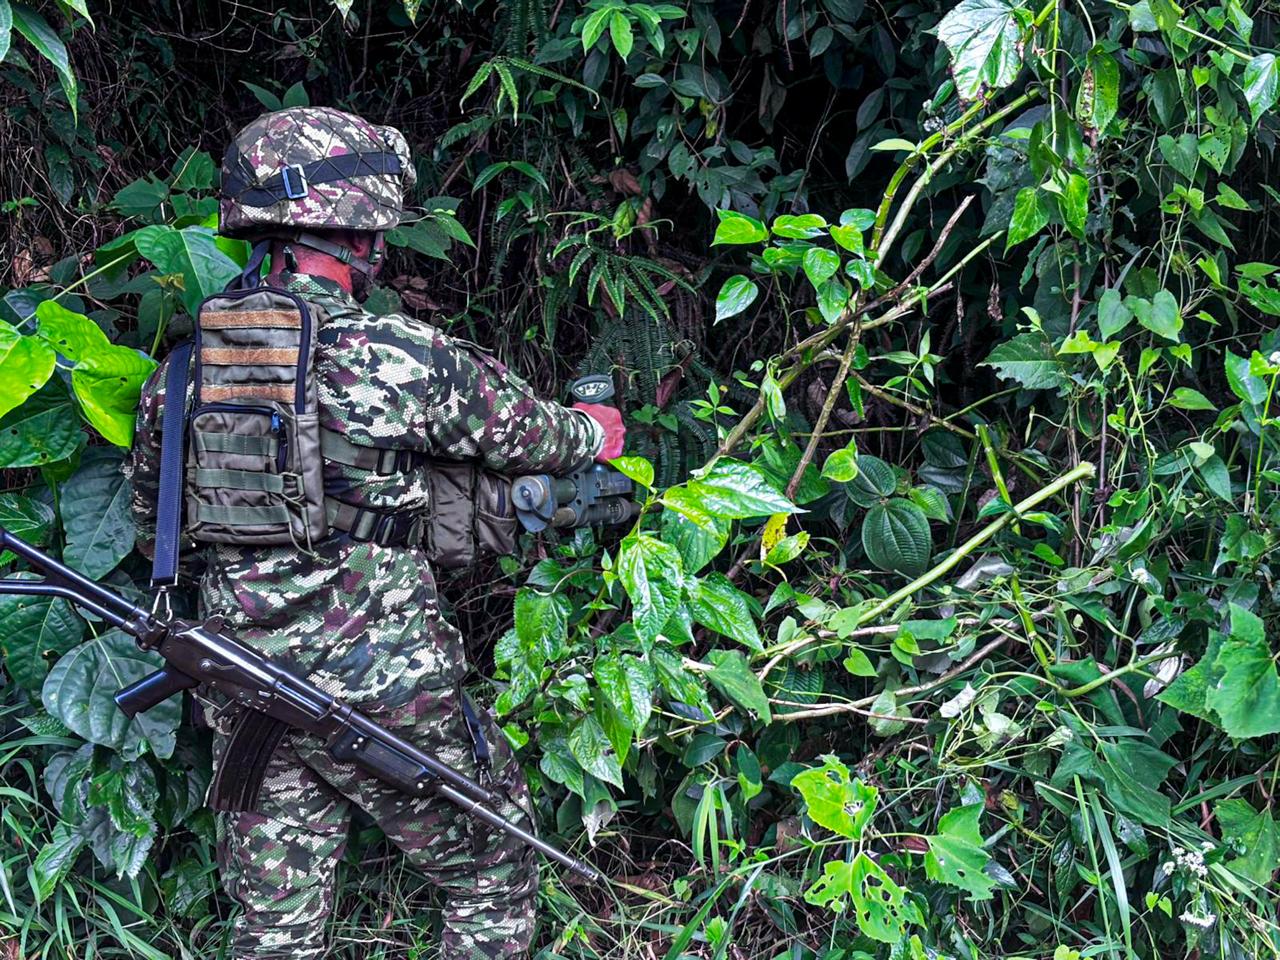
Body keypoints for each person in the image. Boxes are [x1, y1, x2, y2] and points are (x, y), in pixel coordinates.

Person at [125, 106, 625, 960]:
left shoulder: (181, 372)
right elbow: (537, 437)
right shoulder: (397, 354)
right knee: (491, 873)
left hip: (242, 678)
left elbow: (152, 527)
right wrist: (593, 429)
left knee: (274, 930)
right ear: (361, 231)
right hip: (386, 685)